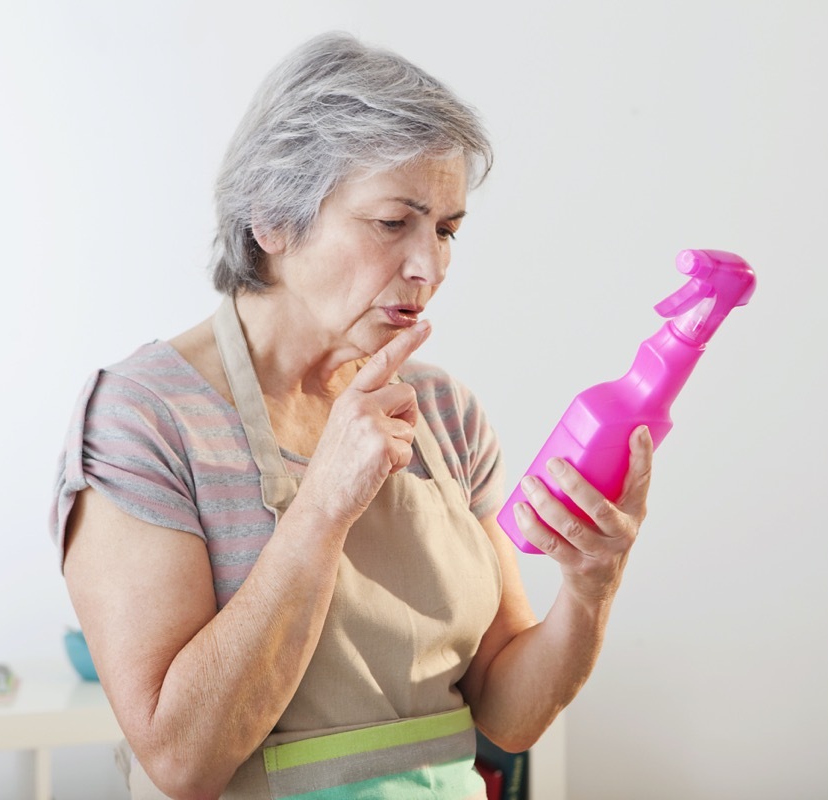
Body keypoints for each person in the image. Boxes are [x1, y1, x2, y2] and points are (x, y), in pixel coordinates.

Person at [51, 31, 653, 800]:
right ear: (273, 219)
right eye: (392, 222)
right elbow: (183, 761)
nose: (429, 267)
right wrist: (325, 503)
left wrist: (592, 585)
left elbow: (507, 715)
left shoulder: (444, 412)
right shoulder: (143, 419)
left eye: (446, 230)